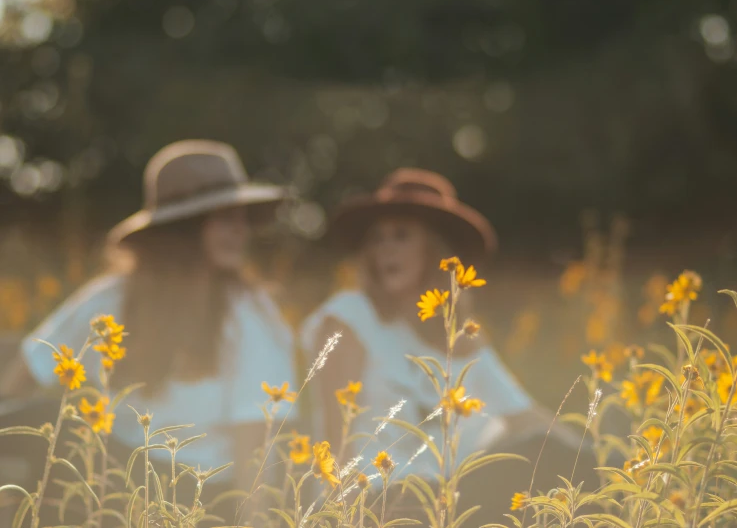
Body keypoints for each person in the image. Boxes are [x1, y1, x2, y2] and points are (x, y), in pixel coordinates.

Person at [0, 140, 298, 497]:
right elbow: (29, 367)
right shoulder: (114, 295)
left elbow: (255, 441)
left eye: (242, 219)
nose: (241, 230)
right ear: (183, 227)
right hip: (117, 471)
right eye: (223, 218)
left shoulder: (248, 311)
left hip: (199, 491)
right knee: (49, 421)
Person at [301, 168, 590, 520]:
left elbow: (525, 416)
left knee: (557, 459)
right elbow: (335, 435)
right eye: (377, 238)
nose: (386, 249)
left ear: (433, 249)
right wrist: (338, 516)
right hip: (378, 500)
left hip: (449, 497)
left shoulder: (456, 338)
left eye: (401, 236)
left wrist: (597, 460)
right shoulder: (350, 317)